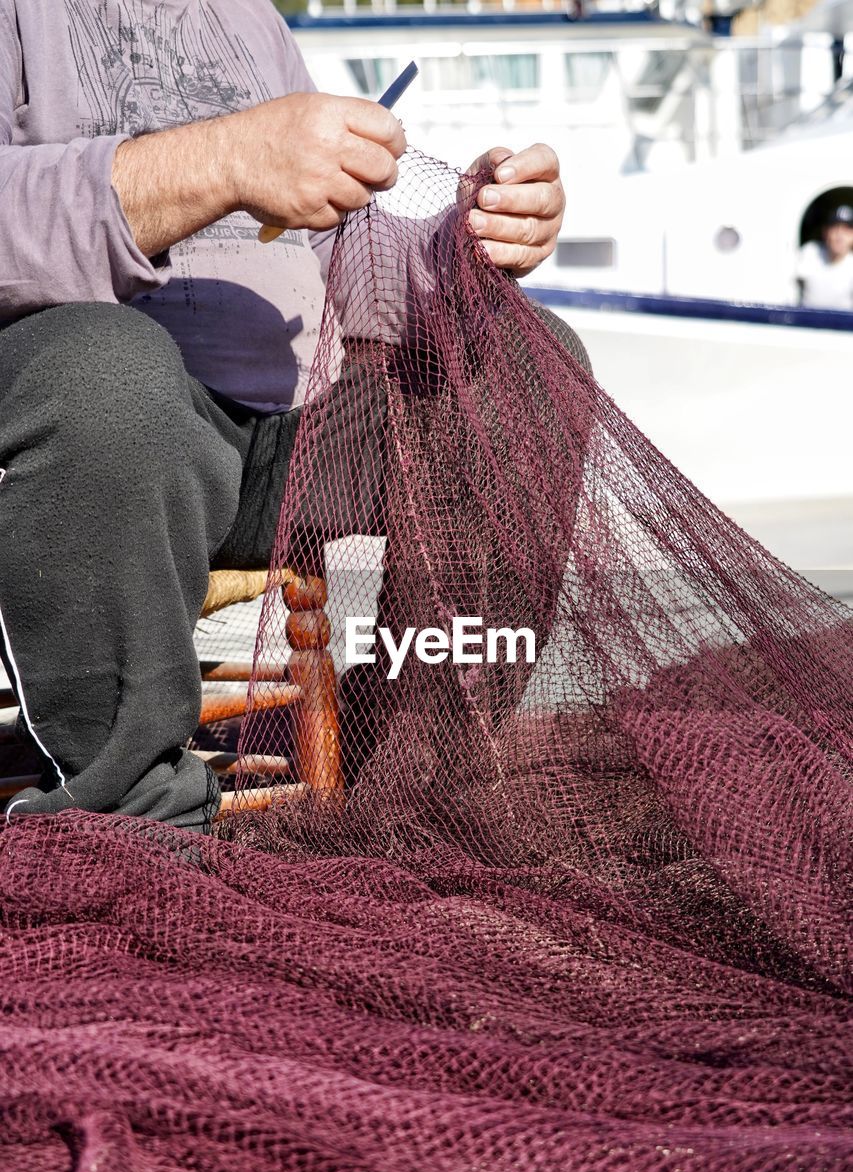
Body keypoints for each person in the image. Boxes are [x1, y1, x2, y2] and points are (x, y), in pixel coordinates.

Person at [0, 0, 570, 832]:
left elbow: (341, 253)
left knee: (527, 362)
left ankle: (418, 784)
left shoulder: (246, 16)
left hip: (288, 441)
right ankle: (130, 818)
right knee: (108, 369)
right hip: (90, 452)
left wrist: (469, 240)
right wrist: (228, 158)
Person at [796, 205, 853, 309]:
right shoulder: (810, 253)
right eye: (834, 228)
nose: (839, 235)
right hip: (805, 322)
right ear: (825, 232)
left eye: (846, 230)